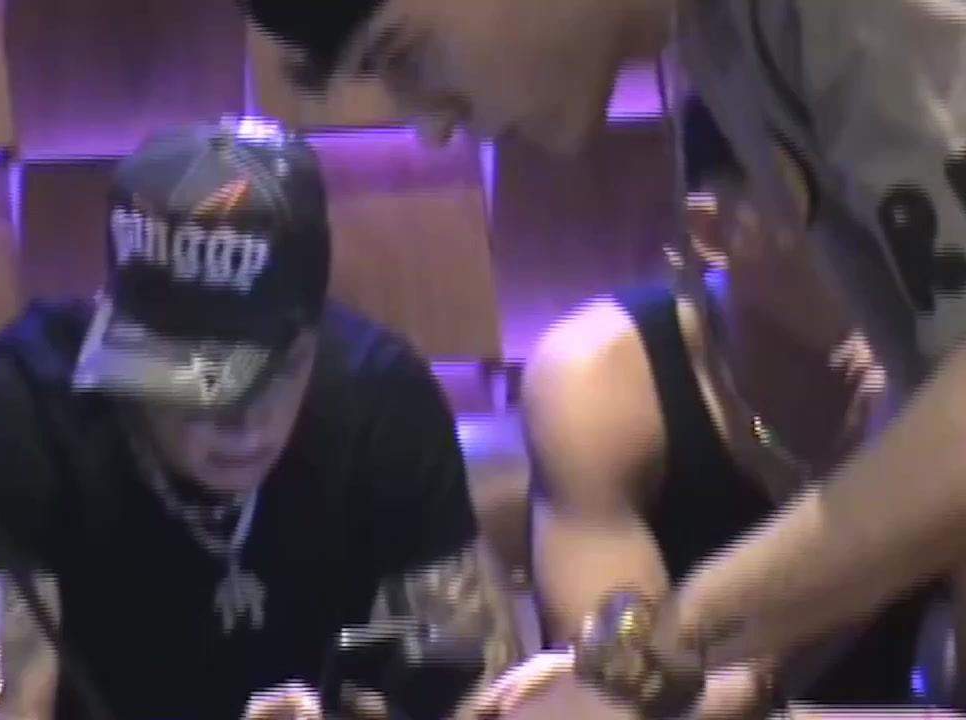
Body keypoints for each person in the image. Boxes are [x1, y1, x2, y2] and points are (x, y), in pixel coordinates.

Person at [240, 0, 966, 713]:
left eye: (403, 53)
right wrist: (700, 670)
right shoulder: (722, 40)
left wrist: (669, 642)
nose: (431, 128)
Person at [0, 118, 520, 719]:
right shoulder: (16, 415)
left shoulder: (381, 404)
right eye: (200, 380)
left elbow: (480, 697)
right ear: (122, 340)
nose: (243, 425)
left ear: (315, 334)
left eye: (276, 371)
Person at [519, 97, 934, 718]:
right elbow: (633, 699)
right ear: (713, 233)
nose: (881, 249)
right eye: (831, 207)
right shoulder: (597, 382)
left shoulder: (944, 362)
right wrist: (873, 491)